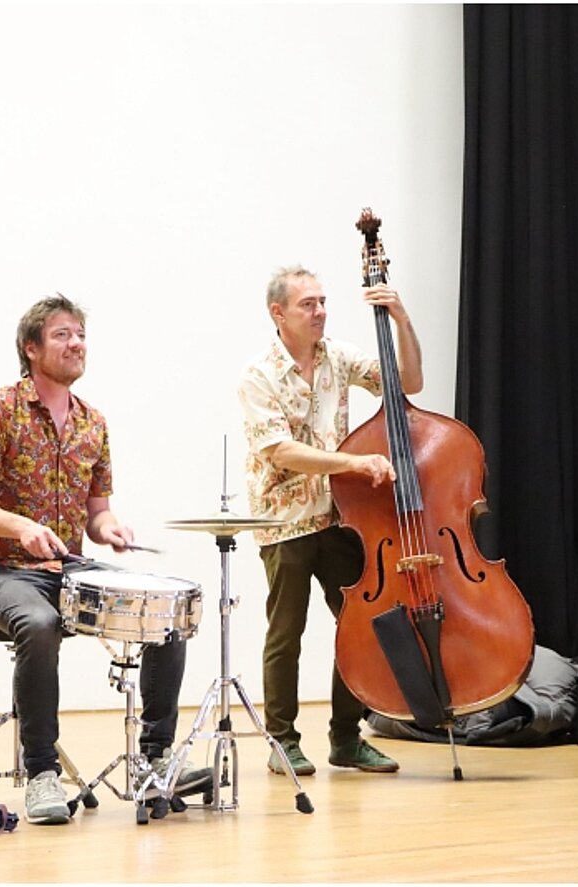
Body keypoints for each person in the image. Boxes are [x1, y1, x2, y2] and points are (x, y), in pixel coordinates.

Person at [0, 294, 210, 824]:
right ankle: (42, 773)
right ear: (31, 349)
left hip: (67, 567)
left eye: (80, 335)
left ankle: (154, 761)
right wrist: (21, 526)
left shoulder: (94, 423)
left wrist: (109, 527)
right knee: (40, 623)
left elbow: (96, 514)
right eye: (61, 335)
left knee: (164, 609)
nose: (76, 344)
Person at [237, 265, 424, 777]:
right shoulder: (259, 376)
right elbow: (281, 450)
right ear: (279, 313)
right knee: (287, 633)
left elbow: (408, 382)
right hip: (286, 521)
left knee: (359, 626)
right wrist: (354, 464)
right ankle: (282, 741)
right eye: (308, 304)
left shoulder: (338, 358)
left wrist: (400, 319)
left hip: (341, 518)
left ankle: (347, 737)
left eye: (322, 302)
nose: (320, 311)